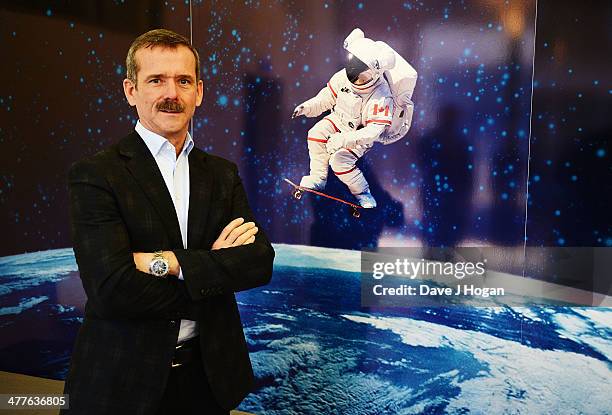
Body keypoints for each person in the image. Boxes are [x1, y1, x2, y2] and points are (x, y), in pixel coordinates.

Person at [61, 29, 275, 415]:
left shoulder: (222, 175)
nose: (171, 94)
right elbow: (111, 289)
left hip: (207, 382)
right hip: (121, 386)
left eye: (183, 81)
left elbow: (259, 263)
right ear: (131, 91)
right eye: (156, 80)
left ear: (199, 92)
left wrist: (170, 264)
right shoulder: (96, 174)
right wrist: (213, 273)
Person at [292, 28, 397, 208]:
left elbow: (373, 131)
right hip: (338, 119)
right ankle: (317, 178)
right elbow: (326, 98)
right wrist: (307, 107)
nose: (357, 79)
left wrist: (343, 139)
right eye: (354, 71)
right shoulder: (343, 77)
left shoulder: (381, 94)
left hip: (358, 133)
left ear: (375, 73)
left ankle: (363, 194)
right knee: (315, 134)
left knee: (339, 162)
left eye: (363, 76)